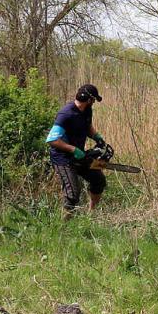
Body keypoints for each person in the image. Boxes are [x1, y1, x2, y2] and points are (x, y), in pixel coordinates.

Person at [45, 84, 108, 216]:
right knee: (73, 193)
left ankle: (91, 215)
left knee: (98, 180)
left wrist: (97, 137)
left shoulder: (87, 111)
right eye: (94, 100)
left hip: (79, 155)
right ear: (89, 100)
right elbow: (52, 140)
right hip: (62, 158)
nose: (94, 103)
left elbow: (88, 126)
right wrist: (73, 149)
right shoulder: (66, 114)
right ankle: (64, 226)